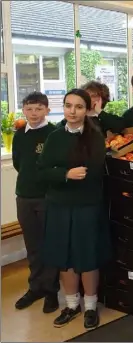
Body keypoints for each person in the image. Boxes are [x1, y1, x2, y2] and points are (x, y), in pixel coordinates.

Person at [38, 88, 111, 330]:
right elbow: (43, 170)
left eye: (78, 107)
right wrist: (65, 174)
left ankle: (90, 306)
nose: (72, 111)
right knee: (65, 256)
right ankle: (71, 305)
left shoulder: (94, 137)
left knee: (87, 255)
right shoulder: (55, 137)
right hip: (59, 206)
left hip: (87, 206)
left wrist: (68, 174)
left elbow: (95, 171)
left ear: (86, 109)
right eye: (68, 105)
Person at [12, 91, 59, 313]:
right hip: (24, 196)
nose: (33, 113)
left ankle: (51, 291)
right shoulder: (20, 134)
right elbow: (18, 164)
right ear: (23, 110)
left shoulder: (54, 134)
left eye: (39, 109)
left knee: (49, 245)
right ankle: (36, 287)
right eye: (29, 109)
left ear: (47, 110)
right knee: (32, 246)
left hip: (47, 198)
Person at [57, 81, 123, 135]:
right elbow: (58, 128)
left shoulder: (104, 118)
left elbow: (120, 127)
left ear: (101, 99)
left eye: (93, 96)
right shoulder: (76, 116)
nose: (88, 98)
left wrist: (99, 111)